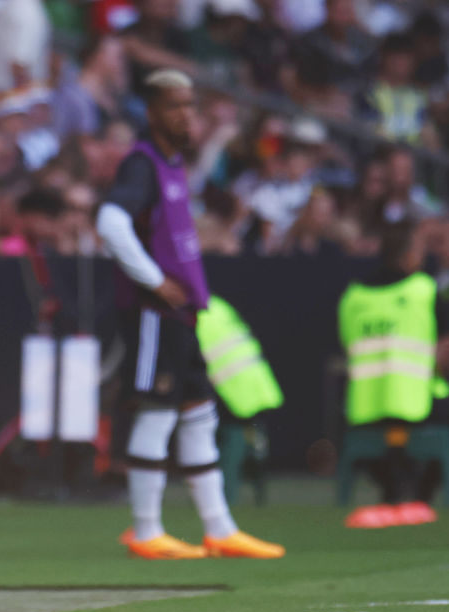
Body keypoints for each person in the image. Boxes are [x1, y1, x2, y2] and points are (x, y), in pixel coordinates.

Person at [96, 69, 284, 560]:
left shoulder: (171, 163)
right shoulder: (141, 164)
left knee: (199, 413)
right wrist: (154, 279)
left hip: (181, 315)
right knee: (157, 413)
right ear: (152, 111)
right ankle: (146, 530)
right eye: (175, 105)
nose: (186, 115)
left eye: (190, 105)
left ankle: (219, 529)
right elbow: (110, 222)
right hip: (154, 313)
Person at [338, 224, 449, 528]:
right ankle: (417, 498)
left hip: (364, 407)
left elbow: (346, 343)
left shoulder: (353, 295)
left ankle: (396, 493)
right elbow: (447, 348)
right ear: (409, 255)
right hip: (419, 405)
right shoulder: (423, 289)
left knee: (380, 444)